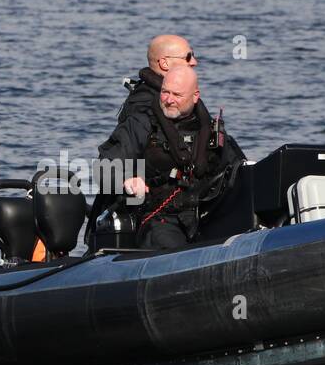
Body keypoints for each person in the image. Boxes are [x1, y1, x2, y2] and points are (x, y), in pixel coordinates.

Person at [97, 66, 244, 250]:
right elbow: (103, 167)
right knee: (168, 243)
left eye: (177, 95)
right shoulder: (141, 124)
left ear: (195, 96)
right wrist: (127, 180)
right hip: (157, 219)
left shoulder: (210, 130)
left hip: (204, 215)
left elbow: (239, 169)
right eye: (165, 92)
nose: (169, 100)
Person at [116, 34, 198, 124]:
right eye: (188, 57)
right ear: (164, 63)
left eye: (193, 55)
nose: (194, 62)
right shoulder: (144, 107)